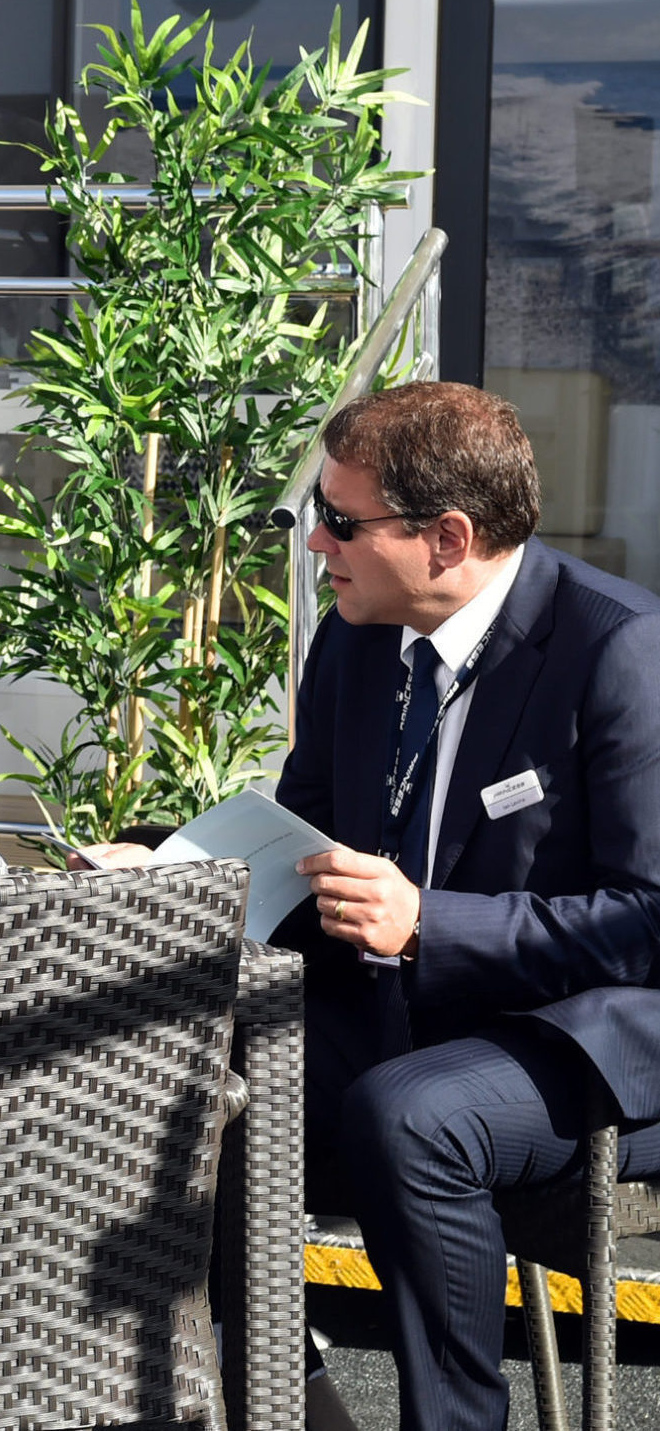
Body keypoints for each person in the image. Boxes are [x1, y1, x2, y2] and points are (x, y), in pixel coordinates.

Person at [266, 382, 660, 1431]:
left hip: (591, 1031)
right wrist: (172, 870)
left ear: (447, 537)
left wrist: (427, 925)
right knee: (188, 1071)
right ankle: (275, 1391)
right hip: (407, 1007)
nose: (317, 544)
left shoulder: (619, 649)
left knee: (408, 1114)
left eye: (340, 521)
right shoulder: (356, 635)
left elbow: (646, 920)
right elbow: (304, 842)